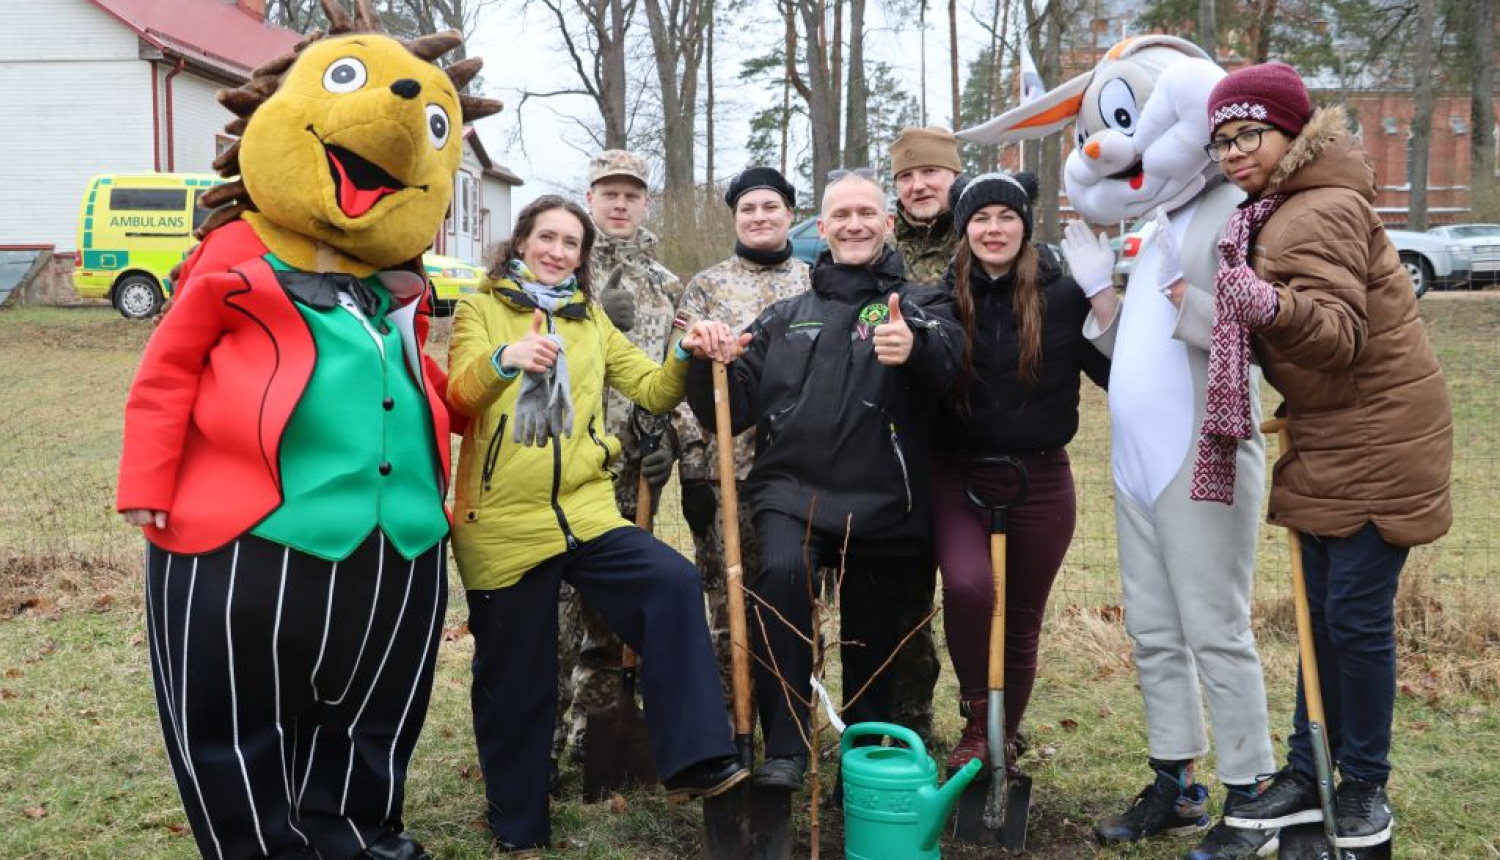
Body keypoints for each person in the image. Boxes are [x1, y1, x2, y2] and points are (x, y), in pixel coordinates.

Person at [116, 18, 500, 860]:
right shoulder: (233, 256)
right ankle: (259, 844)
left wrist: (492, 379)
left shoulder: (402, 287)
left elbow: (420, 388)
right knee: (236, 711)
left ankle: (358, 833)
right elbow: (168, 371)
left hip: (400, 540)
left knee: (376, 708)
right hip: (251, 532)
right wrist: (146, 479)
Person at [1195, 62, 1452, 850]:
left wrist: (1266, 303)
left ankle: (1364, 786)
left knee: (1353, 618)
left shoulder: (1318, 210)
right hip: (1332, 432)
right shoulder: (1278, 209)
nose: (1236, 153)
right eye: (1223, 141)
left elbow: (1339, 336)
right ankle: (1311, 770)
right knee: (1321, 618)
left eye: (1250, 135)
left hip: (1379, 436)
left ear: (1293, 133)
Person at [447, 196, 748, 852]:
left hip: (585, 509)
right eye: (545, 237)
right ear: (521, 240)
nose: (557, 250)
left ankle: (695, 759)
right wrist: (507, 360)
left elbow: (653, 391)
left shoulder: (587, 323)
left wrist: (684, 353)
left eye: (570, 243)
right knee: (516, 676)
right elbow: (459, 398)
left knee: (669, 580)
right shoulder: (481, 306)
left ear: (581, 257)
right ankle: (518, 821)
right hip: (503, 520)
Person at [687, 171, 963, 790]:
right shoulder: (787, 315)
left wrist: (913, 348)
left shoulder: (921, 305)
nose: (855, 224)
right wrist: (706, 362)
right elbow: (725, 409)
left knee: (872, 630)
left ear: (888, 223)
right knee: (780, 577)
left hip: (885, 500)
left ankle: (862, 757)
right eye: (841, 215)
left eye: (867, 212)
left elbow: (950, 365)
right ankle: (785, 743)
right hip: (791, 493)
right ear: (824, 227)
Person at [932, 172, 1113, 778]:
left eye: (1006, 217)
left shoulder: (1063, 295)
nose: (993, 228)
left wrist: (1106, 299)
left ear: (1025, 226)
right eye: (980, 219)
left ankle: (997, 737)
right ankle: (978, 716)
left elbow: (1116, 372)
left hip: (1041, 481)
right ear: (964, 230)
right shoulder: (942, 296)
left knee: (1022, 619)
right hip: (960, 476)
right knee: (967, 588)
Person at [556, 149, 686, 765]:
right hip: (565, 466)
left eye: (631, 194)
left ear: (646, 203)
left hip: (634, 467)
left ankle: (596, 728)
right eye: (609, 193)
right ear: (590, 198)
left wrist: (665, 437)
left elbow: (673, 370)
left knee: (611, 607)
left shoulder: (667, 284)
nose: (619, 204)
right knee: (558, 603)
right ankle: (546, 735)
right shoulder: (560, 270)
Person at [670, 166, 812, 683]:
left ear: (789, 214)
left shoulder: (813, 281)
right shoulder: (706, 286)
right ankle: (734, 719)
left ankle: (788, 718)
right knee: (728, 598)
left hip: (797, 472)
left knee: (792, 599)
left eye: (770, 206)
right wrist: (693, 469)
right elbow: (682, 378)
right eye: (748, 209)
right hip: (726, 471)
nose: (759, 217)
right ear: (735, 218)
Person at [884, 126, 965, 746]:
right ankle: (908, 716)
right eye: (908, 177)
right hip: (898, 442)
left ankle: (987, 722)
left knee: (973, 590)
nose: (919, 186)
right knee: (905, 592)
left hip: (970, 438)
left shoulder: (985, 234)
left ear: (953, 175)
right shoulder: (883, 248)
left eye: (930, 174)